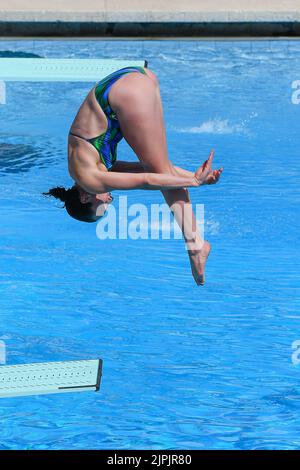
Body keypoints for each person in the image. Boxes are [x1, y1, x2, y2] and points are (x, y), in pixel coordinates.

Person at [44, 65, 222, 285]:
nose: (109, 200)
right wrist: (201, 180)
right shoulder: (86, 168)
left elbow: (147, 181)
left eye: (103, 205)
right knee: (160, 169)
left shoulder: (90, 179)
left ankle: (195, 247)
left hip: (126, 93)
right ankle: (196, 244)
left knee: (160, 175)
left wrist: (193, 181)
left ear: (84, 197)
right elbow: (154, 169)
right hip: (130, 79)